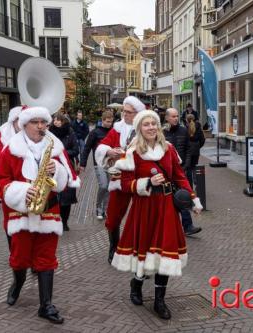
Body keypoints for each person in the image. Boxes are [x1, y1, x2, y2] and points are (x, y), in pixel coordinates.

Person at [110, 110, 202, 319]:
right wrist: (147, 183)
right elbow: (125, 185)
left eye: (154, 123)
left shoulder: (168, 149)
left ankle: (160, 300)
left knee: (165, 252)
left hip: (167, 207)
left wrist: (193, 199)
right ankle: (137, 284)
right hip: (145, 208)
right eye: (146, 124)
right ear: (140, 128)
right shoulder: (133, 152)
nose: (151, 127)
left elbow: (180, 177)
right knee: (144, 248)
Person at [0, 106, 80, 324]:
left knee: (47, 257)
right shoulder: (10, 150)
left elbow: (67, 180)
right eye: (35, 122)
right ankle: (18, 282)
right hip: (20, 212)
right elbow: (1, 183)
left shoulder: (55, 148)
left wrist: (57, 171)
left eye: (44, 122)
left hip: (48, 211)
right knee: (20, 258)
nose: (40, 127)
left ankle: (46, 305)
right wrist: (22, 191)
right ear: (24, 125)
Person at [95, 96, 146, 263]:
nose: (124, 114)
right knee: (113, 216)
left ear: (137, 113)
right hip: (119, 179)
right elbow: (103, 144)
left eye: (128, 112)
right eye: (123, 111)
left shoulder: (146, 128)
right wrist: (109, 152)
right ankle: (113, 248)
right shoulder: (117, 128)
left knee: (142, 217)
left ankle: (141, 251)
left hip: (140, 180)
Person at [164, 108, 202, 236]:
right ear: (167, 118)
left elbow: (188, 149)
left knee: (184, 196)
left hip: (181, 169)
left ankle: (188, 226)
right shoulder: (162, 132)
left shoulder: (184, 130)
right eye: (173, 116)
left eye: (177, 116)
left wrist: (186, 164)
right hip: (167, 171)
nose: (176, 118)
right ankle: (169, 227)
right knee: (167, 199)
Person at [80, 111, 114, 219]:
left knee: (109, 187)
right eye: (108, 122)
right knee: (103, 185)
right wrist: (83, 163)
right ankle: (99, 209)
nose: (109, 124)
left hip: (111, 163)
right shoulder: (95, 132)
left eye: (111, 122)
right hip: (98, 163)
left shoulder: (114, 132)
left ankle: (107, 209)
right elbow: (87, 148)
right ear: (102, 120)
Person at [49, 113, 79, 231]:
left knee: (67, 196)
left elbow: (76, 149)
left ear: (63, 121)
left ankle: (64, 221)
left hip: (67, 166)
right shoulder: (49, 133)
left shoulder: (70, 133)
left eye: (58, 120)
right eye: (54, 120)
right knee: (53, 194)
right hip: (52, 167)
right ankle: (54, 219)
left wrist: (63, 154)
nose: (56, 122)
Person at [185, 114, 206, 187]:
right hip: (196, 149)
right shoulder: (199, 127)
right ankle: (197, 183)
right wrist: (198, 146)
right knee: (194, 166)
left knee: (188, 168)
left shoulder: (185, 128)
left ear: (187, 120)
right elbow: (203, 139)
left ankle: (190, 186)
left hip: (188, 150)